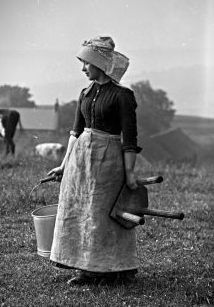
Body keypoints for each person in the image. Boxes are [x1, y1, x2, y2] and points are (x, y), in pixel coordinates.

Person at [47, 36, 143, 286]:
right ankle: (85, 269)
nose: (82, 69)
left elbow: (129, 138)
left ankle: (114, 269)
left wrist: (130, 173)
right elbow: (75, 132)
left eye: (86, 64)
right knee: (81, 213)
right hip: (81, 161)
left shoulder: (123, 96)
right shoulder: (85, 94)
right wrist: (64, 165)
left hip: (109, 161)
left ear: (99, 64)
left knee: (102, 215)